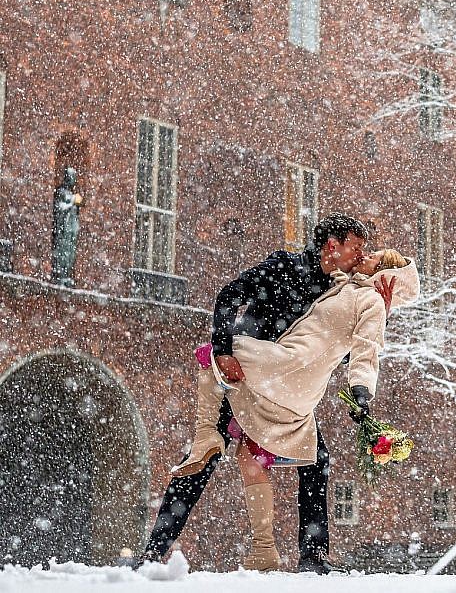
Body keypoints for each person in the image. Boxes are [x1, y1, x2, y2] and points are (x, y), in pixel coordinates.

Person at [139, 213, 390, 573]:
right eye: (355, 248)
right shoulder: (283, 267)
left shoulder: (338, 291)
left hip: (283, 393)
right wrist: (223, 350)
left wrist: (384, 311)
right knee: (202, 458)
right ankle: (153, 552)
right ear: (331, 246)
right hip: (245, 378)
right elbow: (229, 295)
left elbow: (345, 353)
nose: (360, 256)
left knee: (316, 461)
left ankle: (313, 557)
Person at [190, 249, 419, 570]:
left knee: (216, 352)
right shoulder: (349, 287)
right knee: (253, 454)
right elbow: (329, 273)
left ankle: (206, 437)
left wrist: (362, 392)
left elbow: (368, 351)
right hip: (292, 376)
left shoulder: (372, 303)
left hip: (290, 367)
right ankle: (268, 551)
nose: (364, 255)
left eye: (372, 256)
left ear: (382, 274)